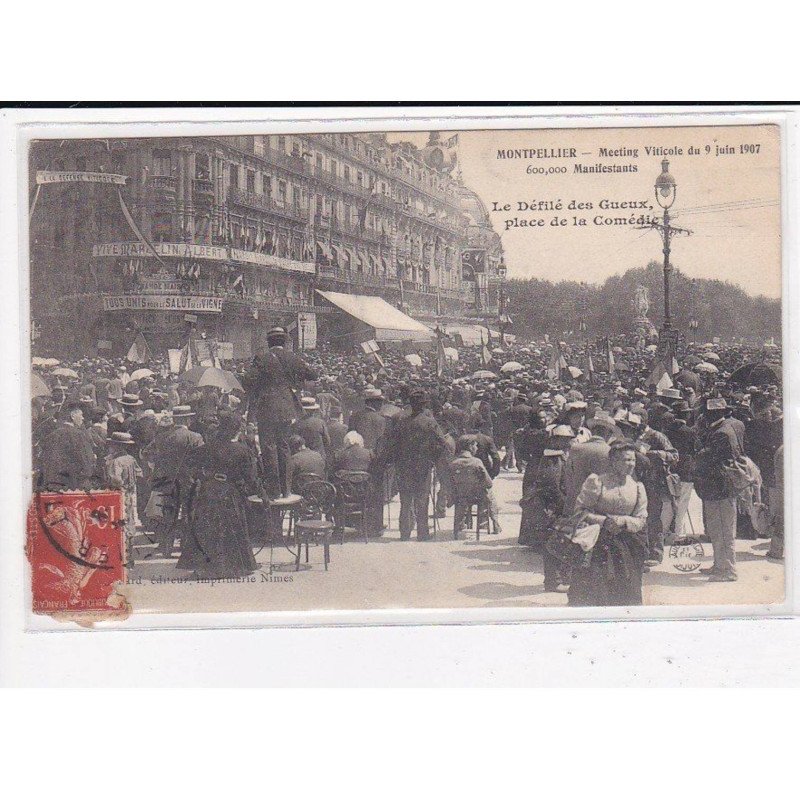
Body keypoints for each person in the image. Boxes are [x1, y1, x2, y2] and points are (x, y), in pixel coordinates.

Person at [567, 440, 648, 607]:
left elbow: (641, 519)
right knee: (597, 591)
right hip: (599, 543)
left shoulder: (637, 487)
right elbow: (580, 511)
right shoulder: (597, 482)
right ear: (613, 462)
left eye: (633, 460)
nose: (631, 464)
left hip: (626, 545)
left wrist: (624, 521)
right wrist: (604, 521)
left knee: (627, 592)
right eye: (626, 460)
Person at [242, 326, 317, 499]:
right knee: (284, 446)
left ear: (269, 343)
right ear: (284, 341)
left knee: (268, 447)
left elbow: (248, 380)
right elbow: (313, 374)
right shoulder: (293, 358)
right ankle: (286, 489)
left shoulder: (262, 358)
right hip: (287, 408)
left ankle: (273, 490)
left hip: (266, 407)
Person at [183, 412, 258, 579]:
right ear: (237, 430)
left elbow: (190, 466)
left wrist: (203, 476)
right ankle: (234, 566)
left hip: (209, 490)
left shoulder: (207, 447)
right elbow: (251, 478)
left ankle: (207, 567)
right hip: (230, 492)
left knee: (208, 527)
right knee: (232, 526)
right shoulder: (242, 450)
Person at [380, 388, 448, 541]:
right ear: (424, 405)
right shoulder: (430, 422)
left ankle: (404, 532)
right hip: (423, 466)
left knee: (405, 500)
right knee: (422, 499)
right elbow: (442, 443)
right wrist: (433, 457)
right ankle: (422, 533)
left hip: (403, 466)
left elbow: (392, 443)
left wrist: (394, 460)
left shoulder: (401, 421)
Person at [144, 405, 203, 559]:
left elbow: (146, 454)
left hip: (165, 481)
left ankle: (166, 547)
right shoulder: (195, 437)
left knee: (168, 513)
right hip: (188, 481)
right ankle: (186, 548)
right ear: (187, 419)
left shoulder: (162, 437)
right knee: (188, 513)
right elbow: (202, 460)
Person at [694, 398, 742, 581]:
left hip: (719, 488)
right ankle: (719, 565)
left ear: (710, 414)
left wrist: (699, 455)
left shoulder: (720, 433)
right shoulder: (730, 427)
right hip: (718, 488)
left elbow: (709, 459)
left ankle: (728, 570)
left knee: (723, 530)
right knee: (718, 529)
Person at [104, 431, 143, 567]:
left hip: (118, 495)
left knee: (118, 525)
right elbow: (139, 473)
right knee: (130, 523)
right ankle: (130, 557)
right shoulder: (131, 459)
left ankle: (121, 558)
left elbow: (116, 480)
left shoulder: (115, 462)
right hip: (130, 494)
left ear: (116, 446)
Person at [449, 435, 500, 538]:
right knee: (490, 494)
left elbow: (450, 483)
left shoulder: (453, 463)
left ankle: (460, 523)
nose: (476, 448)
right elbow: (489, 483)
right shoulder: (476, 462)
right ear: (470, 446)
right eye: (475, 445)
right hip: (477, 496)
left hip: (460, 496)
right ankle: (495, 523)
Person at [38, 401, 95, 491]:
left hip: (52, 484)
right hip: (72, 485)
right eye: (81, 415)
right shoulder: (79, 435)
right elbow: (86, 460)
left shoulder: (53, 434)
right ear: (72, 416)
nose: (83, 418)